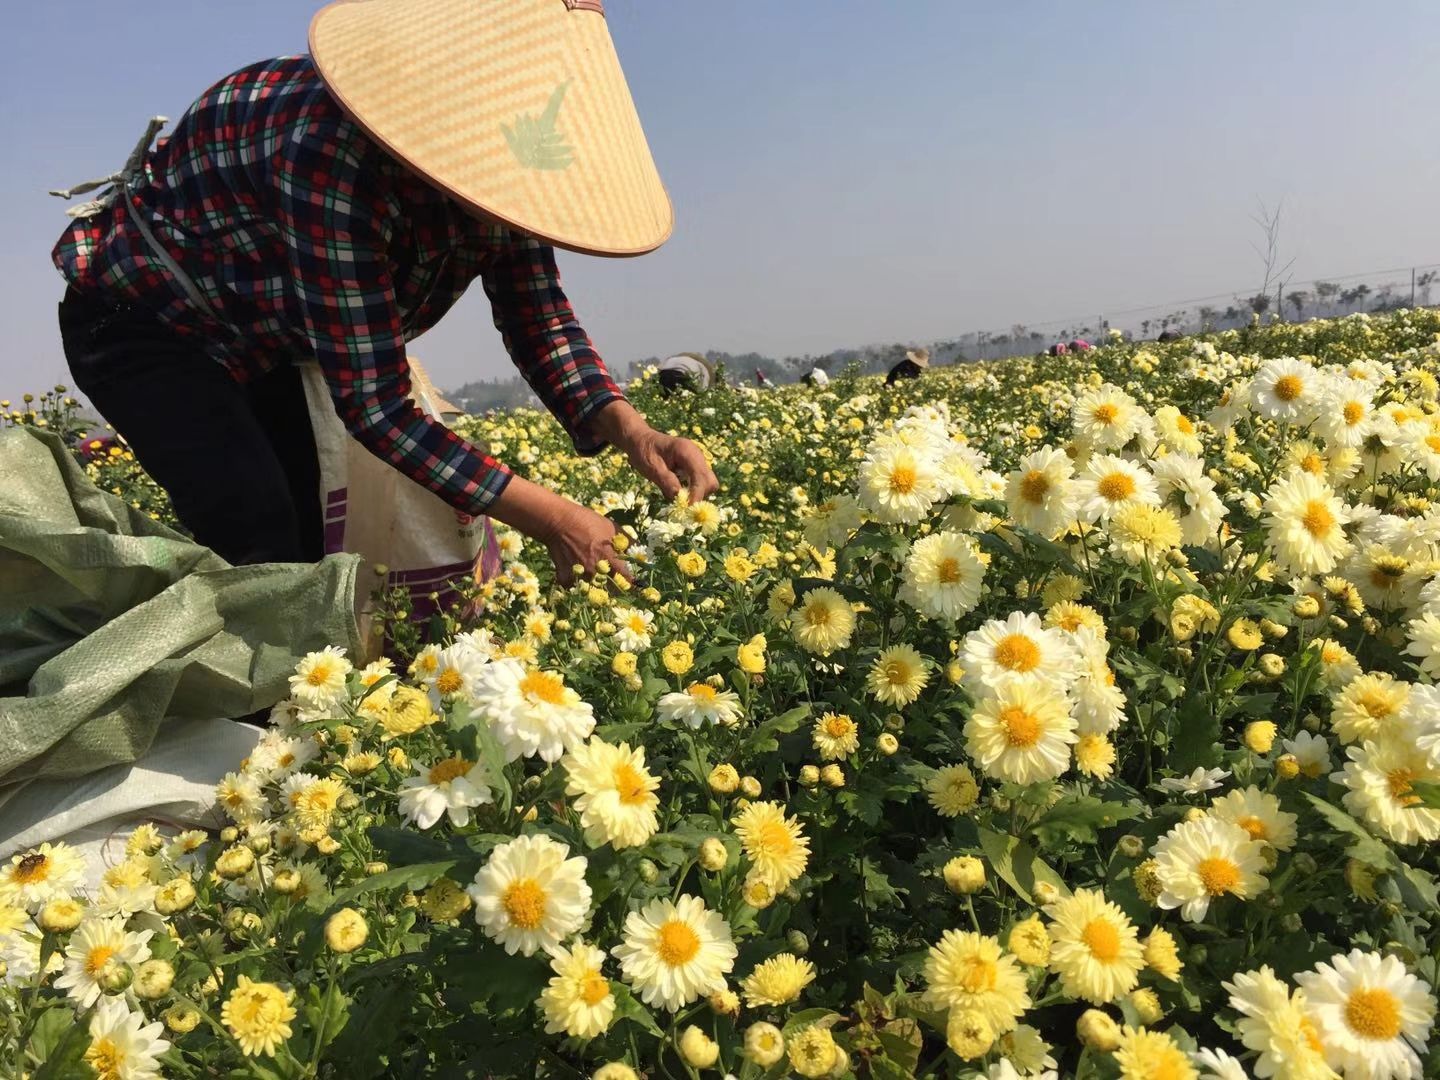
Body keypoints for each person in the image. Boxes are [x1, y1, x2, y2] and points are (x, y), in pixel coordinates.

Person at [49, 0, 715, 582]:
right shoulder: (330, 154)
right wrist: (554, 517)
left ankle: (287, 714)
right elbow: (377, 407)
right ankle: (242, 718)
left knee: (302, 544)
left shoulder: (507, 158)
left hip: (257, 339)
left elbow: (538, 320)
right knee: (256, 528)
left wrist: (634, 431)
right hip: (142, 322)